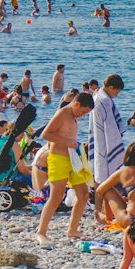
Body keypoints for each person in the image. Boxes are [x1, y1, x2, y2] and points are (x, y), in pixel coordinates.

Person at [35, 91, 94, 246]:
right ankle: (41, 232)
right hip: (58, 159)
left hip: (73, 158)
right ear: (76, 104)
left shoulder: (73, 116)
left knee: (83, 194)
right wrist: (66, 141)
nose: (83, 115)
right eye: (83, 111)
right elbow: (46, 134)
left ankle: (72, 229)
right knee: (56, 196)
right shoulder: (62, 114)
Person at [94, 138, 135, 229]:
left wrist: (119, 199)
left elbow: (100, 190)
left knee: (107, 189)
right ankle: (107, 218)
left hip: (133, 221)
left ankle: (107, 218)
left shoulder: (124, 171)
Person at [88, 74, 125, 205]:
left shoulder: (98, 95)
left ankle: (99, 210)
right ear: (110, 87)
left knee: (100, 178)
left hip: (100, 142)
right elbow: (110, 128)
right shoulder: (103, 101)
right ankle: (101, 209)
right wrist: (117, 144)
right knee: (106, 178)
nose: (116, 94)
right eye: (116, 91)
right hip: (104, 143)